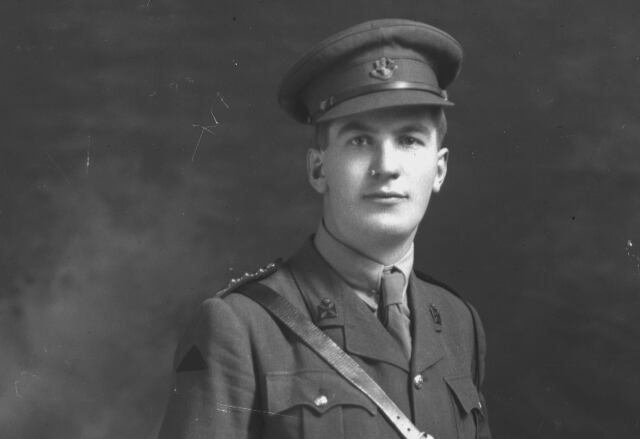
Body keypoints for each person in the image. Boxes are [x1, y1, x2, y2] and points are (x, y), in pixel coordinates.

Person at [157, 18, 491, 439]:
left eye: (408, 140)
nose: (386, 167)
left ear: (439, 169)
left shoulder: (460, 323)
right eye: (359, 141)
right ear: (318, 168)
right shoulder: (242, 326)